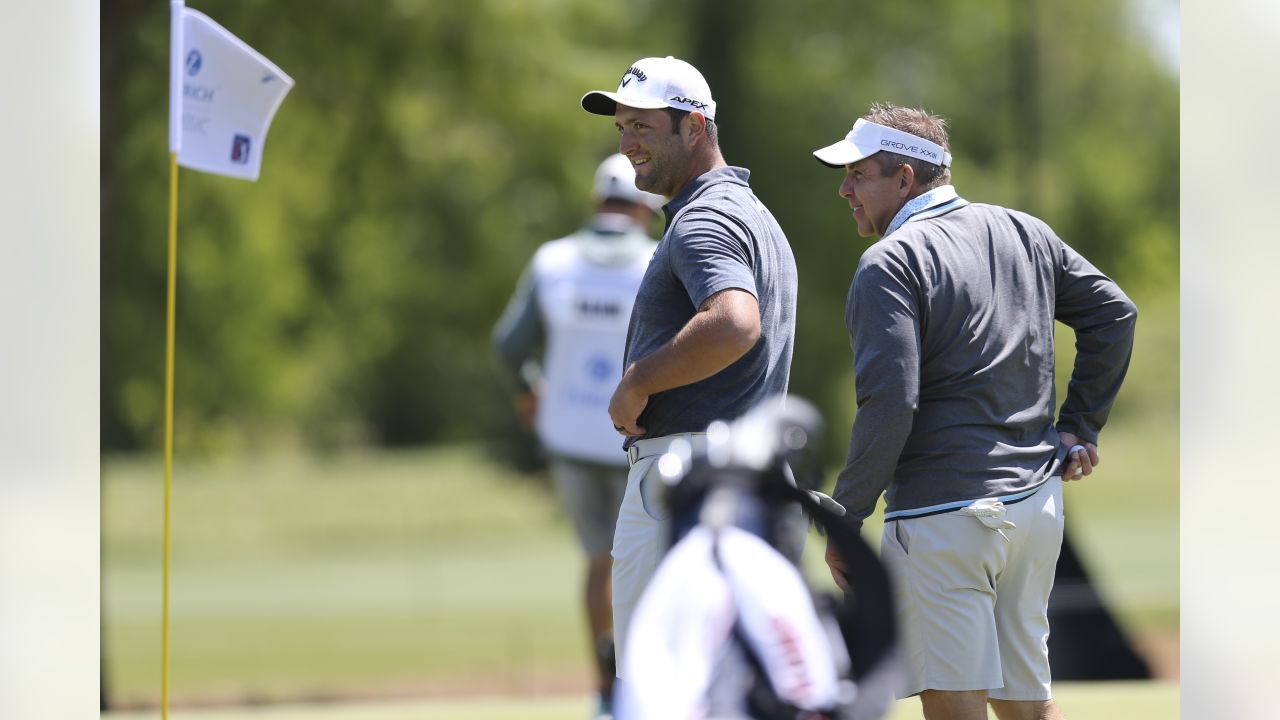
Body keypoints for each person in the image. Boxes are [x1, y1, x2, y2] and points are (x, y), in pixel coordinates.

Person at [811, 103, 1137, 720]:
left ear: (905, 178)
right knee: (1026, 704)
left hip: (944, 518)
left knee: (954, 703)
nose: (844, 188)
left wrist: (846, 515)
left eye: (858, 174)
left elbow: (891, 402)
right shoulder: (1023, 231)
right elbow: (1115, 312)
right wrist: (1079, 424)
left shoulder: (890, 261)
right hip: (1036, 511)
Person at [578, 55, 800, 680]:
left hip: (691, 477)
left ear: (695, 128)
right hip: (745, 474)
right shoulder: (753, 213)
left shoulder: (704, 217)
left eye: (643, 127)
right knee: (734, 685)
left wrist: (636, 382)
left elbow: (734, 321)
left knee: (659, 687)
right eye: (621, 128)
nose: (626, 146)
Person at [491, 153, 663, 719]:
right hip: (638, 437)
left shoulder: (552, 259)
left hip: (566, 436)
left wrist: (531, 388)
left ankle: (604, 692)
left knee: (597, 562)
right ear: (646, 206)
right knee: (647, 563)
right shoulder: (655, 259)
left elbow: (510, 344)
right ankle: (649, 687)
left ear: (597, 201)